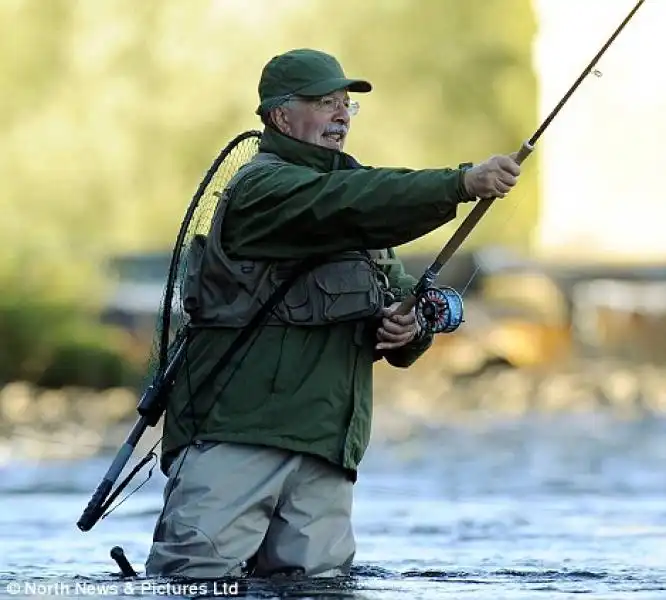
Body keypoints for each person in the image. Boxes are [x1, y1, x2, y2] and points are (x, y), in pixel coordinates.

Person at [145, 48, 520, 580]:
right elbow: (342, 203)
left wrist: (410, 327)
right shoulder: (262, 190)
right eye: (326, 103)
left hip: (325, 450)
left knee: (316, 592)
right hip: (235, 438)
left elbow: (400, 297)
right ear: (281, 116)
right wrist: (459, 183)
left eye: (347, 105)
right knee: (197, 585)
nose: (342, 115)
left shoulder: (357, 208)